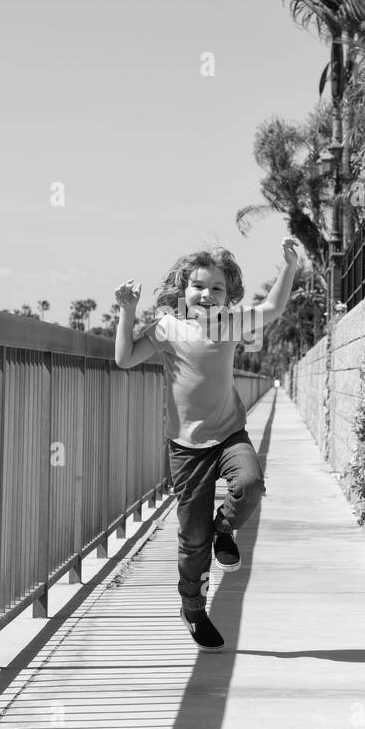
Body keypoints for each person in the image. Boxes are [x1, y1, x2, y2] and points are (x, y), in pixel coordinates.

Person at [114, 238, 300, 650]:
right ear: (183, 290)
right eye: (198, 285)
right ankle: (193, 608)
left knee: (250, 484)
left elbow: (272, 309)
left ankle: (225, 530)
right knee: (191, 539)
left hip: (230, 433)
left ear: (228, 294)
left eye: (216, 288)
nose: (206, 294)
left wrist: (289, 266)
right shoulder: (166, 328)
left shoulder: (231, 324)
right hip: (186, 447)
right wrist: (127, 314)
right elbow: (125, 359)